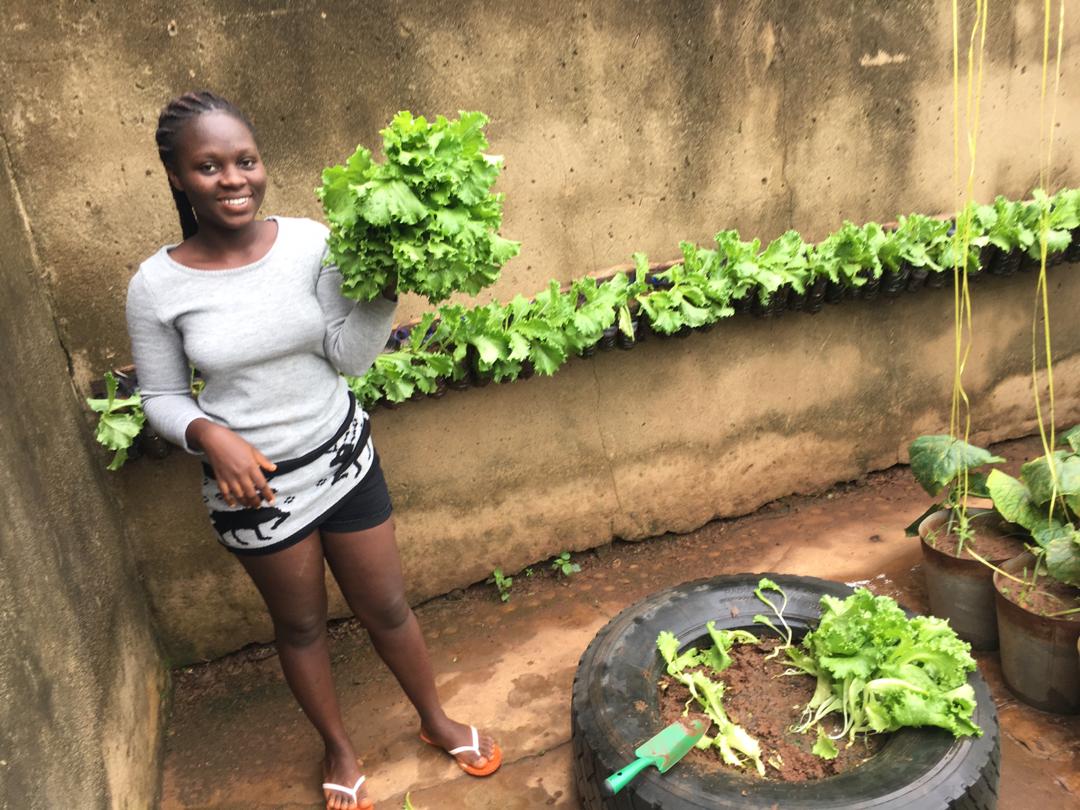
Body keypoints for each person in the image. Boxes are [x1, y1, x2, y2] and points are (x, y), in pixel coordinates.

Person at [126, 90, 500, 810]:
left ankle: (436, 720)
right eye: (209, 166)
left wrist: (384, 291)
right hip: (254, 490)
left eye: (245, 161)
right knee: (299, 626)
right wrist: (211, 436)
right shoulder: (156, 286)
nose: (233, 179)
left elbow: (346, 357)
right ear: (177, 177)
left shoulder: (308, 241)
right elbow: (163, 400)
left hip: (343, 457)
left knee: (387, 606)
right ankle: (338, 745)